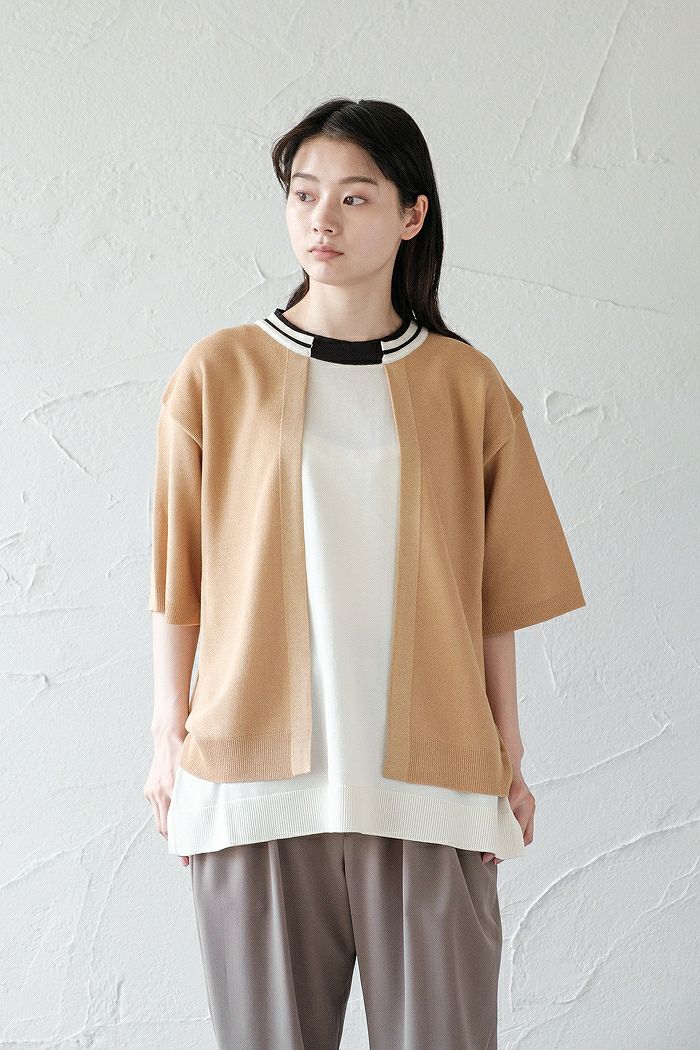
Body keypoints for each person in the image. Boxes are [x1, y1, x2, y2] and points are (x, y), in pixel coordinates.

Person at [143, 98, 586, 1050]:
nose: (323, 221)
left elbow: (493, 599)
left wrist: (508, 754)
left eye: (355, 197)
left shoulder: (468, 385)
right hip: (253, 790)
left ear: (412, 214)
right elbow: (178, 581)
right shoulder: (219, 373)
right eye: (304, 195)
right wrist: (164, 736)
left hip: (428, 787)